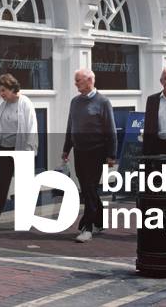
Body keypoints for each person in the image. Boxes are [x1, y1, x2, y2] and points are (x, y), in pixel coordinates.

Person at [62, 68, 117, 243]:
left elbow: (111, 130)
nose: (76, 83)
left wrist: (111, 155)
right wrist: (66, 149)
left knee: (89, 187)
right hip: (79, 151)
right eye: (76, 80)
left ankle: (87, 227)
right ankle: (100, 221)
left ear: (90, 80)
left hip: (96, 151)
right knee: (88, 188)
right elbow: (71, 126)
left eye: (78, 80)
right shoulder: (75, 102)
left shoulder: (103, 102)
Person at [0, 74, 38, 232]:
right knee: (2, 185)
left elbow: (32, 128)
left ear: (13, 88)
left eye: (3, 90)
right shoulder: (3, 106)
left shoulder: (25, 103)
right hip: (5, 149)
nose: (1, 94)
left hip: (21, 149)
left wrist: (29, 151)